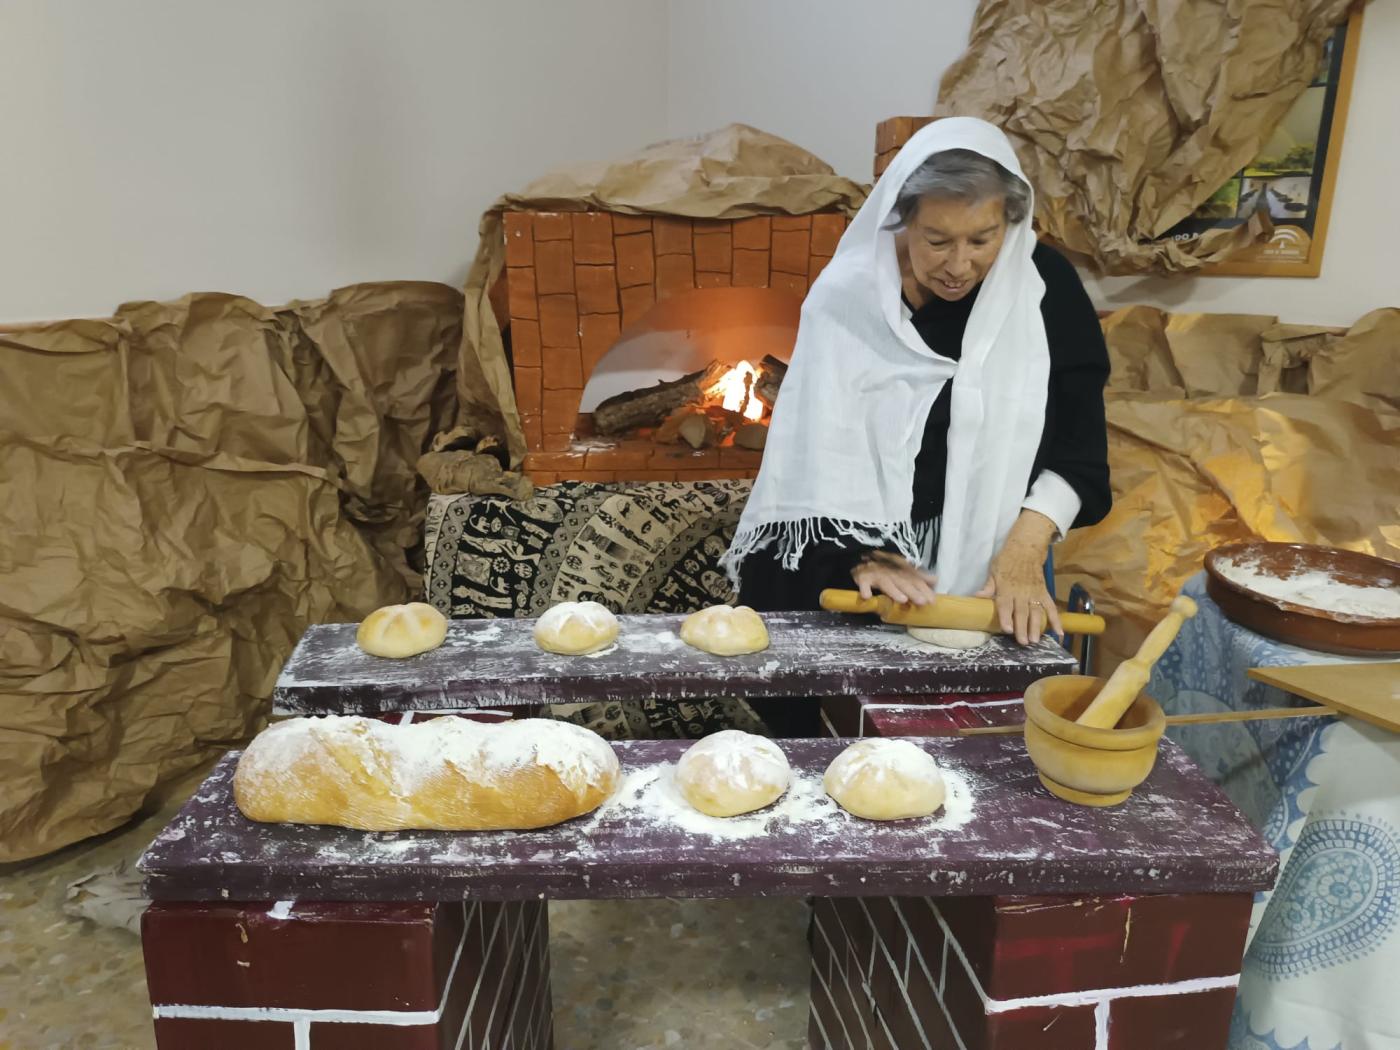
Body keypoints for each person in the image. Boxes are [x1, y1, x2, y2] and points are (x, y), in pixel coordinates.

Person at [722, 118, 1111, 735]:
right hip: (862, 565)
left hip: (999, 557)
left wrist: (1024, 550)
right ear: (902, 218)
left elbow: (1081, 448)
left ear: (1011, 221)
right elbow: (818, 453)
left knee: (986, 747)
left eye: (982, 239)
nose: (959, 264)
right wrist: (861, 555)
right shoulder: (849, 296)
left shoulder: (1046, 289)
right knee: (855, 745)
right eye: (937, 240)